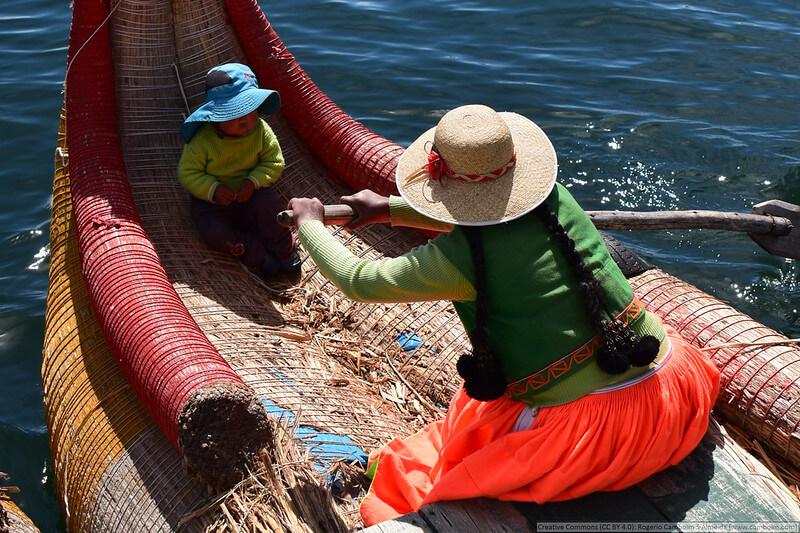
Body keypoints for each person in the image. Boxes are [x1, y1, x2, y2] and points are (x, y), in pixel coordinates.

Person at [287, 104, 719, 525]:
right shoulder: (553, 199)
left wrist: (311, 224)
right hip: (672, 390)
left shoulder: (455, 262)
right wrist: (391, 209)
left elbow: (360, 280)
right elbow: (494, 220)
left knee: (463, 444)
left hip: (595, 437)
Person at [179, 63, 301, 277]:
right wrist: (214, 190)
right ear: (216, 115)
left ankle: (284, 247)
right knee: (213, 233)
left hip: (251, 197)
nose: (244, 118)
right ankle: (257, 255)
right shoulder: (202, 139)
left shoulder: (261, 131)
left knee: (269, 205)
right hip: (212, 204)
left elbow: (274, 161)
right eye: (235, 113)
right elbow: (188, 173)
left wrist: (252, 182)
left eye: (249, 109)